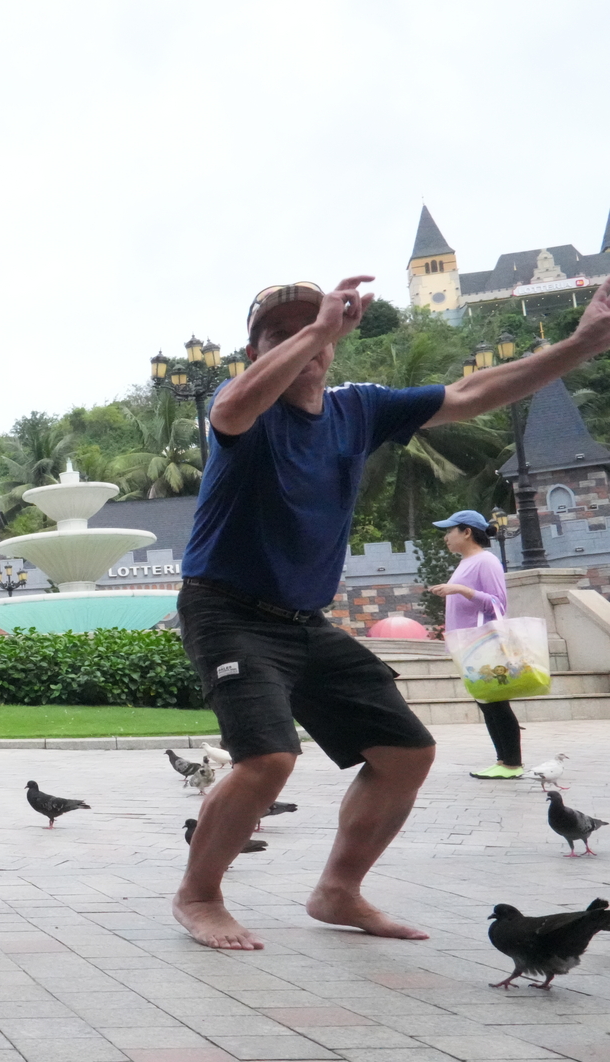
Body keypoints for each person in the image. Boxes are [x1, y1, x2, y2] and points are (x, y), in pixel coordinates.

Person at [173, 275, 610, 951]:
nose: (302, 341)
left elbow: (470, 394)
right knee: (268, 759)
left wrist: (583, 344)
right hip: (225, 610)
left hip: (303, 620)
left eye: (312, 330)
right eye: (280, 334)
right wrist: (321, 329)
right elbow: (231, 406)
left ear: (333, 350)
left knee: (407, 753)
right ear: (254, 352)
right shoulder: (245, 410)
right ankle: (199, 896)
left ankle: (338, 891)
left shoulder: (358, 409)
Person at [427, 510, 516, 778]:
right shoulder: (467, 562)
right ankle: (503, 761)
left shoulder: (485, 561)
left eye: (449, 531)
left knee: (496, 703)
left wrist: (461, 590)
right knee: (487, 703)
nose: (446, 537)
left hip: (484, 643)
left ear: (466, 532)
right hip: (468, 645)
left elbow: (498, 603)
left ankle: (511, 763)